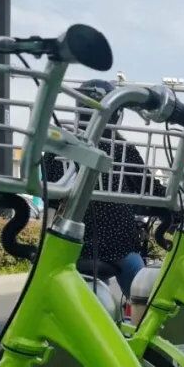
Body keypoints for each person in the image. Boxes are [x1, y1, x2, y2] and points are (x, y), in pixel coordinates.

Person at [42, 79, 152, 297]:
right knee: (143, 294)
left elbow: (49, 197)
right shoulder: (121, 149)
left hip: (73, 242)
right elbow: (149, 188)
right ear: (115, 114)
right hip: (119, 244)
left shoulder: (60, 145)